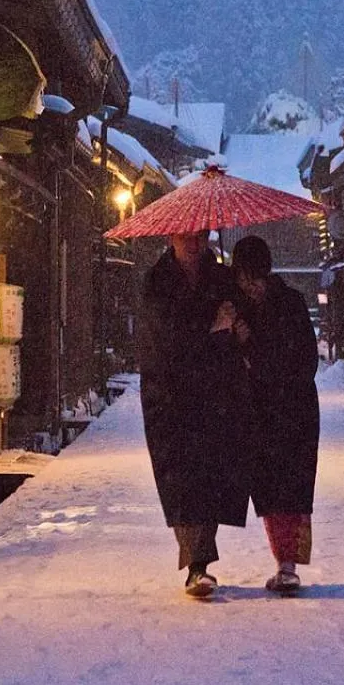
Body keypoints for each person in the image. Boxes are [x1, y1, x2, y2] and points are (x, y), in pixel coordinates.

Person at [138, 230, 251, 599]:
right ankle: (197, 565)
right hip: (170, 393)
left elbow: (236, 329)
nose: (193, 244)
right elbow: (163, 338)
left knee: (208, 475)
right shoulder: (157, 282)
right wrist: (210, 327)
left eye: (199, 236)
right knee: (180, 476)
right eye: (185, 237)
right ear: (171, 237)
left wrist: (237, 329)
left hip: (214, 393)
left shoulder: (220, 278)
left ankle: (200, 562)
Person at [229, 236, 319, 595]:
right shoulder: (235, 311)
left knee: (290, 487)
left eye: (254, 277)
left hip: (293, 409)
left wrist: (250, 344)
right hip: (257, 411)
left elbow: (301, 360)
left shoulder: (290, 304)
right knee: (267, 488)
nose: (249, 285)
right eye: (242, 278)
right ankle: (284, 562)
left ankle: (287, 565)